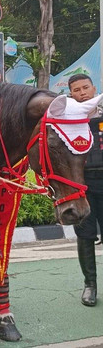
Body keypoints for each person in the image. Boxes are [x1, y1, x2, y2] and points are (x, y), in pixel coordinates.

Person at [68, 73, 102, 307]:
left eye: (85, 88)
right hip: (82, 185)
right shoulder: (66, 117)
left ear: (94, 88)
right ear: (71, 94)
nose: (82, 93)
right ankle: (90, 285)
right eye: (77, 90)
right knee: (85, 235)